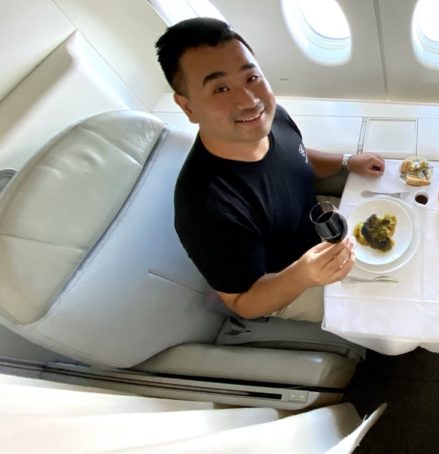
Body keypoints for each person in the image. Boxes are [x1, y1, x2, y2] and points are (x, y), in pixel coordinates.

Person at [155, 17, 385, 322]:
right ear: (187, 107)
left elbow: (298, 157)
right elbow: (244, 303)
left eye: (251, 78)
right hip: (288, 283)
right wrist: (303, 275)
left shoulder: (273, 119)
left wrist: (345, 161)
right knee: (389, 305)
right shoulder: (205, 208)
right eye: (221, 88)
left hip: (320, 233)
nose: (249, 101)